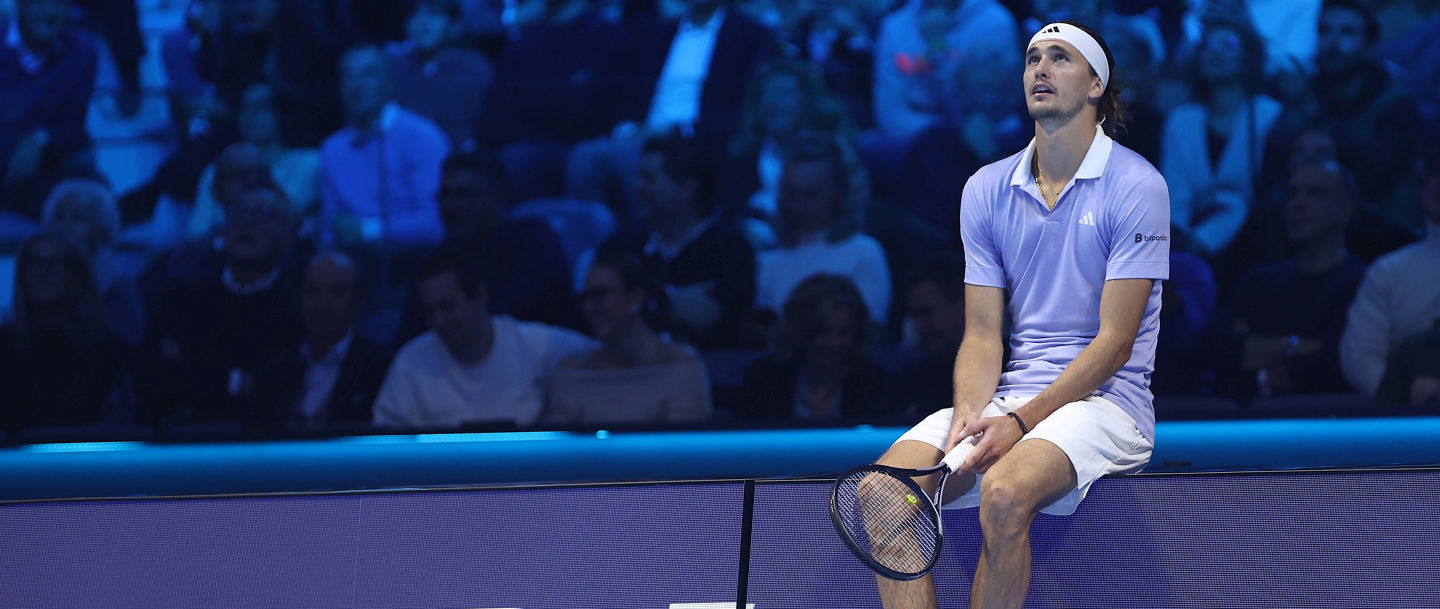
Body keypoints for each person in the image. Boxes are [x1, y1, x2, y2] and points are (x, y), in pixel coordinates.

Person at [872, 22, 1169, 609]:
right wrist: (968, 415)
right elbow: (983, 335)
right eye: (1033, 57)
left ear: (1094, 87)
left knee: (1004, 493)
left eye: (1060, 58)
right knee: (886, 493)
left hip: (1109, 403)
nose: (1040, 68)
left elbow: (1114, 344)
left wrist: (1021, 422)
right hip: (1011, 399)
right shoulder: (985, 188)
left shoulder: (1137, 185)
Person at [372, 245, 596, 430]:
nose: (439, 321)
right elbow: (385, 445)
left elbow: (604, 351)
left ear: (479, 295)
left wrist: (579, 366)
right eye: (430, 311)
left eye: (447, 307)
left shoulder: (537, 344)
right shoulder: (411, 362)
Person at [142, 186, 304, 425]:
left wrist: (194, 369)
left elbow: (276, 391)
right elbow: (155, 373)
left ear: (288, 235)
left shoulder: (299, 303)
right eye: (238, 212)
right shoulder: (184, 295)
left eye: (264, 213)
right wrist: (237, 382)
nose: (246, 221)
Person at [1205, 158, 1365, 399]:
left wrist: (1255, 351)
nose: (1298, 204)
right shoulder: (1258, 281)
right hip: (1247, 426)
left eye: (1315, 194)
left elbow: (1333, 364)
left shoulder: (1362, 283)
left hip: (1327, 422)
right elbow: (1216, 349)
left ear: (1346, 209)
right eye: (1292, 193)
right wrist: (1295, 346)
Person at [544, 246, 711, 425]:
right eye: (585, 297)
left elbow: (682, 447)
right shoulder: (573, 371)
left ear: (635, 298)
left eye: (601, 294)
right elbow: (557, 448)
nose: (589, 308)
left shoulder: (680, 365)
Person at [1160, 18, 1282, 258]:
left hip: (1252, 241)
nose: (1217, 53)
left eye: (1230, 45)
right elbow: (1175, 196)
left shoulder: (1269, 115)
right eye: (1210, 45)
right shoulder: (1181, 120)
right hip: (1183, 236)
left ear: (1248, 57)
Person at [0, 231, 132, 435]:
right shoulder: (5, 347)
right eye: (34, 261)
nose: (42, 271)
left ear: (78, 278)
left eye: (56, 262)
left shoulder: (110, 353)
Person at [320, 44, 450, 251]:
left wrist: (367, 231)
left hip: (414, 259)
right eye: (348, 76)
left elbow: (436, 223)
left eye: (369, 74)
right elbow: (330, 228)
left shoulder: (422, 137)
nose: (357, 84)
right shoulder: (332, 149)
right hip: (353, 264)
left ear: (389, 81)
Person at [248, 251, 393, 432]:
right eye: (312, 291)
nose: (323, 304)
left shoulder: (380, 370)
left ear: (358, 301)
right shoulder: (274, 373)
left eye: (337, 291)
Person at [753, 136, 891, 325]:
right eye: (791, 194)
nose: (798, 206)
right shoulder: (767, 262)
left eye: (811, 194)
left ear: (838, 193)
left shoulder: (864, 253)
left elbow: (871, 329)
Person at [1340, 148, 1440, 396]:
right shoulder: (1388, 271)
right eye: (1433, 171)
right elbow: (1360, 358)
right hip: (1413, 425)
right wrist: (1402, 400)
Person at [735, 273, 889, 422]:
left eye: (844, 332)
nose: (833, 343)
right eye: (821, 332)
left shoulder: (874, 383)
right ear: (799, 330)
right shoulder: (764, 381)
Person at [1, 0, 99, 223]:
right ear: (20, 6)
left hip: (46, 170)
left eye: (58, 4)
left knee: (89, 202)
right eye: (39, 3)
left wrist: (40, 138)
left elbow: (75, 127)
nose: (49, 13)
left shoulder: (83, 53)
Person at [41, 179, 146, 346]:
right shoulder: (35, 277)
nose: (64, 227)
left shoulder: (119, 287)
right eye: (59, 217)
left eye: (78, 218)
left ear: (101, 228)